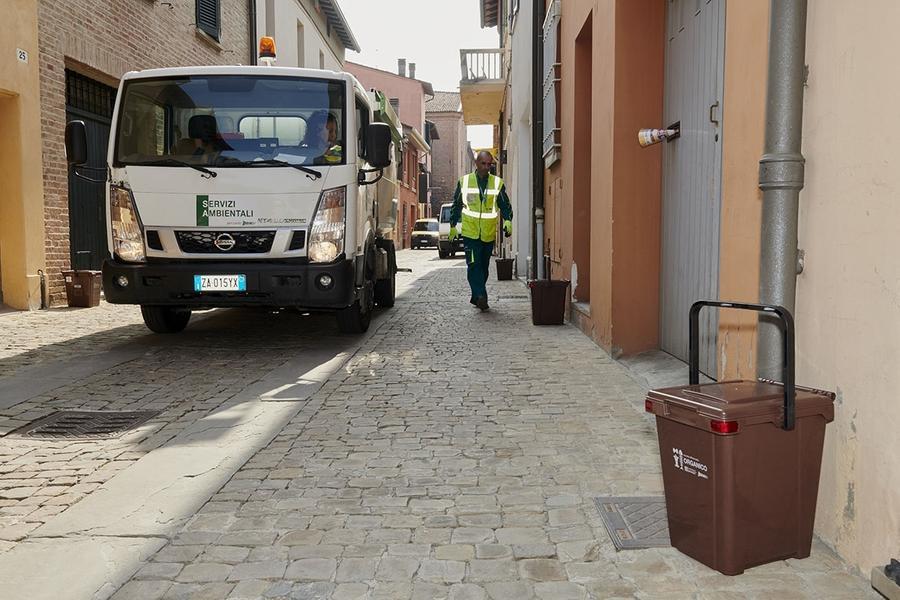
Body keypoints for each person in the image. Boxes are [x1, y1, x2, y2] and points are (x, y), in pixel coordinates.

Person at [449, 151, 513, 311]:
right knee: (473, 265)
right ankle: (481, 296)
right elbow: (456, 204)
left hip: (488, 234)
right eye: (483, 164)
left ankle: (477, 296)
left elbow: (504, 204)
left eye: (489, 164)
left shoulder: (497, 183)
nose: (486, 167)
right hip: (470, 234)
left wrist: (508, 220)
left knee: (483, 268)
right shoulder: (464, 182)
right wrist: (452, 225)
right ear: (476, 164)